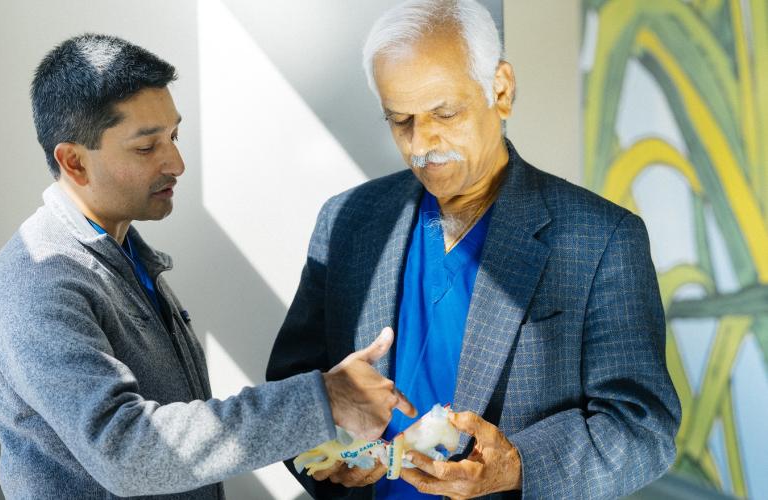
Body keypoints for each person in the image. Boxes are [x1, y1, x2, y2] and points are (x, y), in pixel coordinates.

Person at [266, 1, 681, 498]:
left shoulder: (601, 238)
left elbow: (642, 426)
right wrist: (332, 449)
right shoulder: (347, 220)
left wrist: (518, 466)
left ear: (501, 90)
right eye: (401, 120)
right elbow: (290, 390)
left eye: (445, 112)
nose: (422, 143)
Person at [0, 33, 416, 499]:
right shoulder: (39, 281)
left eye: (174, 136)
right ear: (74, 162)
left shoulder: (122, 255)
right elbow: (127, 452)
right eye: (147, 148)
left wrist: (330, 431)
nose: (177, 163)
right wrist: (324, 399)